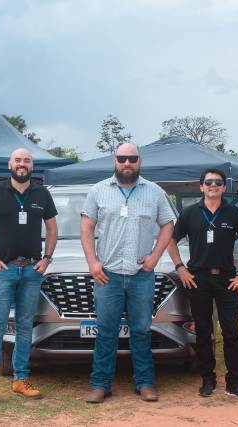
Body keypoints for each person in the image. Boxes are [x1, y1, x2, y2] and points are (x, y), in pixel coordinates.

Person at [80, 143, 175, 403]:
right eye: (122, 158)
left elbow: (168, 224)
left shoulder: (154, 192)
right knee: (105, 331)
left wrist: (155, 256)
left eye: (132, 158)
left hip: (141, 275)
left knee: (141, 331)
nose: (127, 163)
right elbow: (86, 227)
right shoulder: (98, 190)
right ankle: (100, 385)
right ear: (115, 160)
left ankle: (144, 383)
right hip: (107, 275)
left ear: (139, 161)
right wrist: (92, 262)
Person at [0, 148, 58, 407]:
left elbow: (52, 228)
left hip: (31, 271)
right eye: (18, 160)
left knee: (24, 327)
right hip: (4, 270)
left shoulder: (42, 194)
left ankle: (21, 380)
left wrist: (47, 258)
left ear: (32, 166)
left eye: (27, 160)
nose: (22, 164)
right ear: (10, 164)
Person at [167, 168, 238, 401]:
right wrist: (181, 268)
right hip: (198, 280)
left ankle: (234, 383)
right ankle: (207, 379)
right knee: (203, 331)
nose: (213, 185)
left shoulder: (233, 213)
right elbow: (171, 241)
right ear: (201, 187)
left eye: (218, 182)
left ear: (224, 187)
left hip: (226, 280)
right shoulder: (190, 213)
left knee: (231, 332)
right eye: (209, 182)